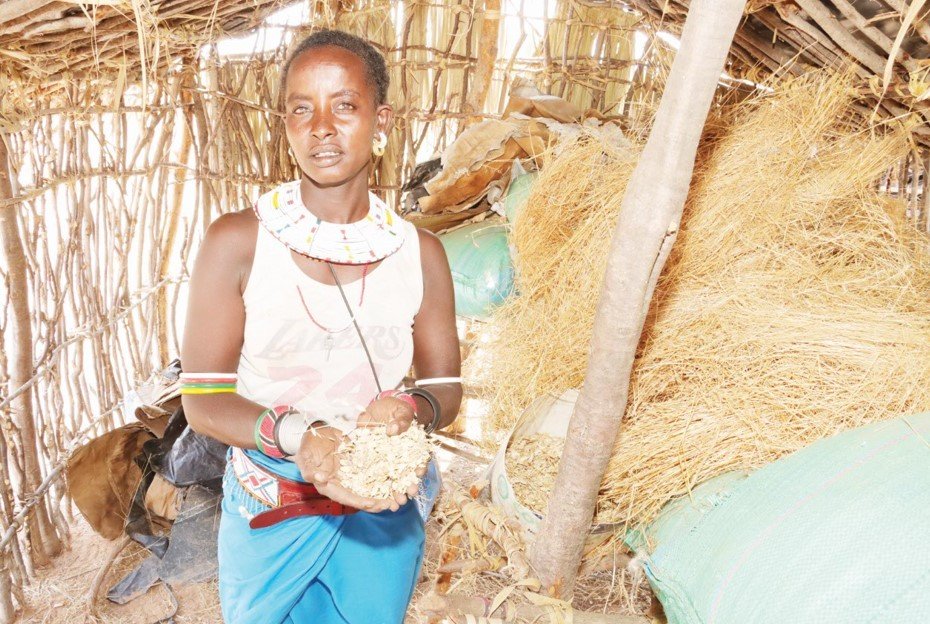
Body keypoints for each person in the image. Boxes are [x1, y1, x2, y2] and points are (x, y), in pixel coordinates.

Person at [180, 28, 462, 624]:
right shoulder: (237, 241)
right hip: (271, 502)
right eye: (300, 109)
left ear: (380, 119)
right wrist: (298, 436)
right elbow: (203, 398)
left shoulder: (420, 253)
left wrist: (411, 408)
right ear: (285, 126)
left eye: (345, 106)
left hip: (378, 504)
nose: (321, 128)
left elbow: (445, 388)